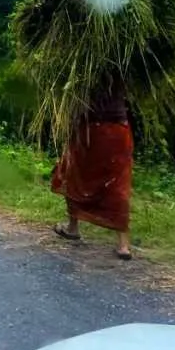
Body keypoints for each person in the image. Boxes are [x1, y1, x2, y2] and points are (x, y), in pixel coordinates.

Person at [50, 75, 134, 260]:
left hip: (90, 128)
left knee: (72, 174)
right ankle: (123, 244)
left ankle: (73, 228)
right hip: (119, 129)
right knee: (118, 183)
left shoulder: (82, 66)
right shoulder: (124, 63)